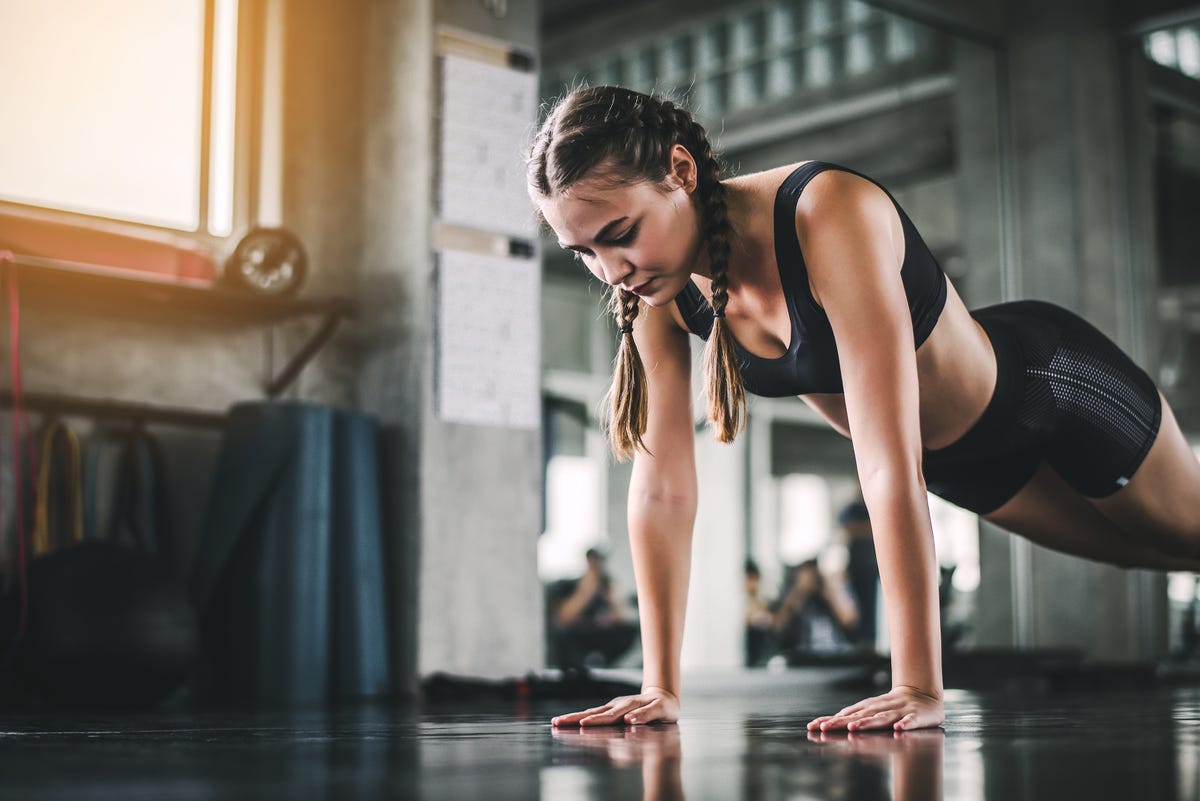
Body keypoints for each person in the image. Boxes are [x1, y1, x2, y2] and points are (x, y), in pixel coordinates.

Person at [526, 85, 1200, 732]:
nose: (611, 270)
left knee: (1187, 533)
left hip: (1053, 386)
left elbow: (884, 463)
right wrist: (659, 686)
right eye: (584, 251)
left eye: (620, 232)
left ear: (680, 169)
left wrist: (916, 684)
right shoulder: (655, 294)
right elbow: (662, 489)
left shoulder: (825, 211)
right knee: (1140, 556)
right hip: (963, 465)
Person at [838, 500, 879, 648]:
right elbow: (845, 527)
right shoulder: (853, 509)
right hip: (855, 571)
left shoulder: (875, 506)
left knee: (871, 612)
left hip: (871, 571)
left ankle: (869, 642)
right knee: (856, 611)